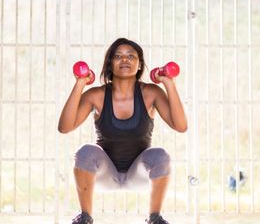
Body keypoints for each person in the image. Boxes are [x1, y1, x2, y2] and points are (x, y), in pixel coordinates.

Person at [58, 38, 187, 224]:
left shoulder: (151, 93)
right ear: (110, 63)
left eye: (131, 56)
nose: (124, 60)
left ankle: (154, 218)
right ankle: (85, 217)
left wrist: (168, 82)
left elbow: (181, 126)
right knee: (85, 151)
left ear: (139, 63)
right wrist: (80, 83)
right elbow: (65, 127)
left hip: (140, 174)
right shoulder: (97, 95)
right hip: (104, 174)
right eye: (118, 56)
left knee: (161, 155)